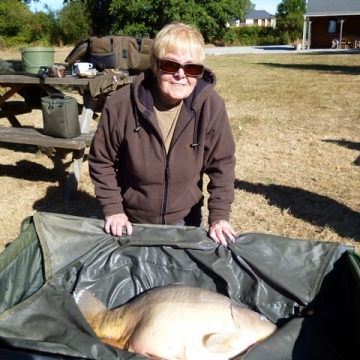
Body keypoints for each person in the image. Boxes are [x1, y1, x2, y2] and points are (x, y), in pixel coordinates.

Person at [88, 22, 237, 246]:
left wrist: (219, 217)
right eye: (170, 65)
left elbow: (222, 164)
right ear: (154, 65)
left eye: (191, 68)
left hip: (185, 219)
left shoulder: (211, 106)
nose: (180, 75)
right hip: (132, 220)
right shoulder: (121, 104)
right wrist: (114, 210)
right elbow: (102, 161)